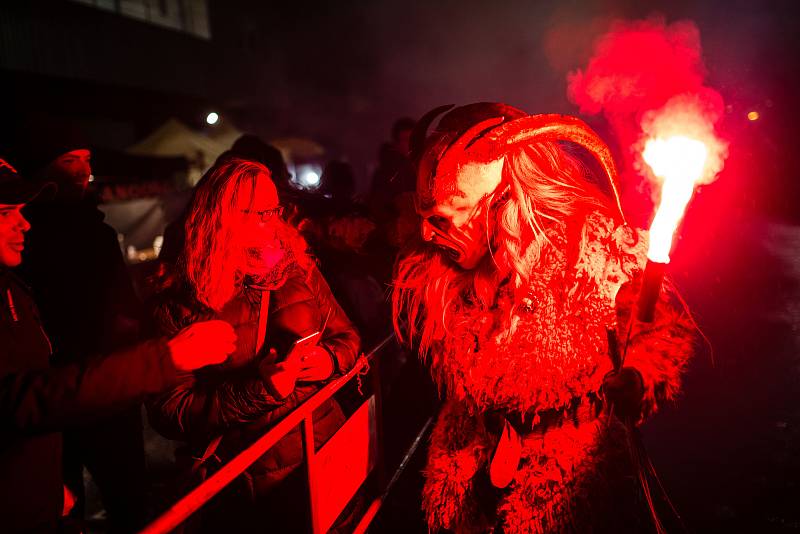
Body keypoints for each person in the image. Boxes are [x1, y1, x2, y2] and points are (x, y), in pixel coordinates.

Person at [392, 103, 696, 532]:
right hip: (470, 458)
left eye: (443, 218)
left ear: (504, 202)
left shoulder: (592, 254)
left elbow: (659, 332)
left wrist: (640, 376)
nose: (428, 234)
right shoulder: (442, 270)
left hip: (565, 469)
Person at [0, 157, 236, 533]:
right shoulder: (25, 267)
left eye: (86, 160)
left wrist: (44, 487)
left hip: (79, 428)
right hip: (80, 410)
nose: (22, 222)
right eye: (6, 212)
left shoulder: (13, 282)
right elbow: (20, 398)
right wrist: (164, 358)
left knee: (130, 502)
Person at [146, 158, 360, 532]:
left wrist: (328, 360)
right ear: (221, 216)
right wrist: (258, 391)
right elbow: (170, 411)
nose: (273, 221)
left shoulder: (298, 268)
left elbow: (348, 337)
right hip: (253, 483)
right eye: (259, 213)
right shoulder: (180, 299)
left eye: (274, 209)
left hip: (329, 455)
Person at [12, 119, 150, 531]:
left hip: (111, 395)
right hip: (58, 396)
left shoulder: (98, 232)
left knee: (131, 503)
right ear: (41, 170)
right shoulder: (22, 238)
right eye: (70, 159)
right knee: (64, 507)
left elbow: (125, 308)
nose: (83, 169)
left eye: (86, 159)